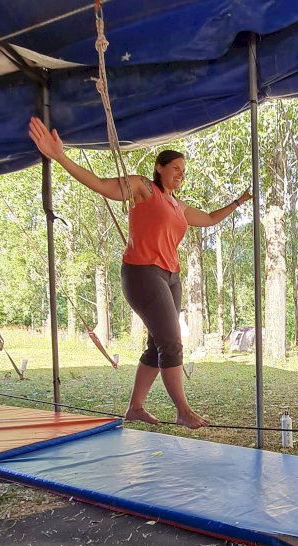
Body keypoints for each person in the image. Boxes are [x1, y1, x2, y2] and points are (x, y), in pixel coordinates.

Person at [29, 116, 251, 429]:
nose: (180, 176)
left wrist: (239, 201)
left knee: (156, 344)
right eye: (176, 168)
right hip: (142, 272)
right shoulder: (143, 188)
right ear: (160, 167)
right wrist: (60, 155)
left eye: (184, 173)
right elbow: (101, 185)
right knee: (172, 343)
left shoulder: (179, 206)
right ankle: (183, 410)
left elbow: (212, 218)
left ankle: (135, 407)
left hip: (171, 277)